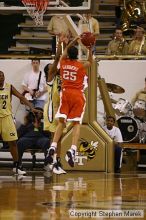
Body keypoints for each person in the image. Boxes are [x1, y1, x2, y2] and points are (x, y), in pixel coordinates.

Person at [45, 35, 93, 169]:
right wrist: (89, 48)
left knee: (61, 122)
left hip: (65, 94)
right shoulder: (80, 65)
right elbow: (90, 61)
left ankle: (53, 146)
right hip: (77, 95)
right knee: (77, 123)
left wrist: (73, 40)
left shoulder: (63, 63)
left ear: (68, 55)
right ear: (77, 55)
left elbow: (64, 51)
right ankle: (72, 148)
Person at [0, 70, 40, 175]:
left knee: (12, 142)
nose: (1, 78)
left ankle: (17, 165)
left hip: (7, 118)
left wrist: (32, 108)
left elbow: (21, 97)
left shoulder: (9, 87)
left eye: (2, 76)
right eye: (0, 76)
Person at [43, 35, 66, 175]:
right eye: (51, 67)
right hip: (51, 109)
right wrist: (59, 45)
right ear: (48, 71)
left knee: (59, 137)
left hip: (60, 108)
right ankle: (52, 161)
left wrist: (67, 44)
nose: (54, 66)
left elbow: (62, 61)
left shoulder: (60, 76)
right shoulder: (51, 77)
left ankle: (56, 161)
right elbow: (58, 59)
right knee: (54, 137)